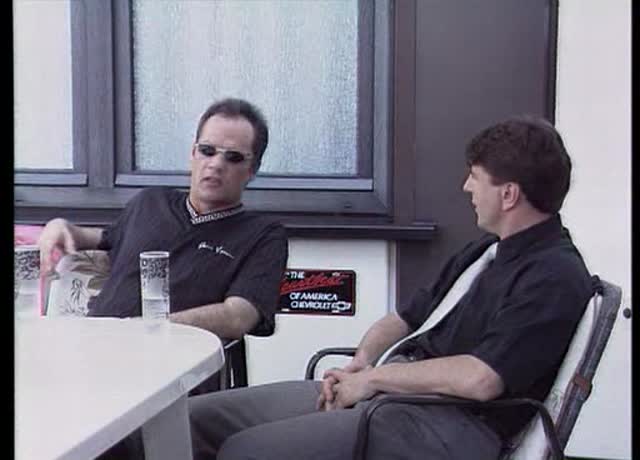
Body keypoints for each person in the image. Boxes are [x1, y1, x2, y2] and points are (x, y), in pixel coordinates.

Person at [187, 116, 594, 460]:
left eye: (475, 178)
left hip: (449, 426)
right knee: (194, 421)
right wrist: (361, 363)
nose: (466, 188)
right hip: (395, 398)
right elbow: (402, 318)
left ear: (508, 194)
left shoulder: (553, 277)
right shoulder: (486, 252)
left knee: (245, 451)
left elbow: (480, 379)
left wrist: (376, 381)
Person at [38, 97, 288, 384]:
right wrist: (61, 226)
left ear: (252, 169)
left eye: (233, 157)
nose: (216, 164)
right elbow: (105, 238)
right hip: (92, 359)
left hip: (174, 376)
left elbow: (238, 316)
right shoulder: (150, 202)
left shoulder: (263, 234)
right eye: (207, 151)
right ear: (193, 153)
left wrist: (149, 328)